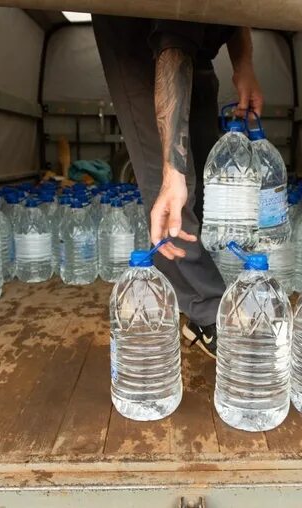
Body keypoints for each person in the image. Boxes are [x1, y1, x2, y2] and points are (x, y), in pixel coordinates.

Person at [93, 16, 263, 359]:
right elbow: (173, 47)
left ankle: (204, 289)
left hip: (195, 44)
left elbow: (238, 11)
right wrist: (173, 172)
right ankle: (207, 313)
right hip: (138, 38)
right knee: (170, 187)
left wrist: (243, 65)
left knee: (202, 165)